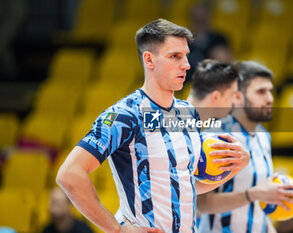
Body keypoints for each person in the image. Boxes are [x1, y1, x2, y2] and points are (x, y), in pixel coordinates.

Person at [56, 19, 249, 233]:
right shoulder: (126, 114)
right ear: (149, 59)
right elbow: (69, 174)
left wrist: (233, 168)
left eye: (185, 55)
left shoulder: (189, 114)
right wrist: (117, 230)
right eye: (175, 56)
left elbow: (184, 185)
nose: (186, 64)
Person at [197, 61, 293, 233]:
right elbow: (204, 204)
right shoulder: (217, 136)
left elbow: (258, 204)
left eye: (270, 91)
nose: (270, 98)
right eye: (261, 92)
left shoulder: (264, 136)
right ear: (237, 97)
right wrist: (255, 194)